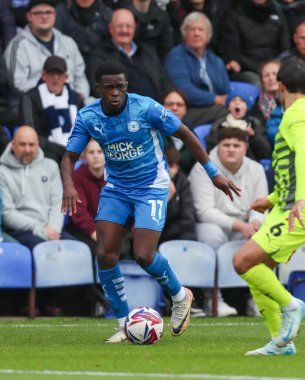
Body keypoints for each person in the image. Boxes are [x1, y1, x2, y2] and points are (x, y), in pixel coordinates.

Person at [60, 60, 240, 342]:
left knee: (144, 255)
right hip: (117, 188)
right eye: (109, 88)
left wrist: (213, 173)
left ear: (126, 86)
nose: (116, 92)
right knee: (106, 254)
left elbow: (185, 134)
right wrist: (69, 185)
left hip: (151, 188)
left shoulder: (146, 108)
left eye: (120, 86)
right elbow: (69, 157)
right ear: (98, 89)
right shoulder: (88, 116)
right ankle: (123, 324)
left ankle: (181, 296)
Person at [233, 57, 305, 356]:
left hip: (299, 208)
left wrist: (300, 199)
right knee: (258, 269)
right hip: (296, 205)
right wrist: (274, 199)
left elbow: (304, 154)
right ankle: (281, 341)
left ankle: (292, 306)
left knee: (242, 261)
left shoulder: (294, 115)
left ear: (280, 86)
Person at [189, 127, 268, 316]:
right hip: (213, 224)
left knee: (265, 235)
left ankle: (257, 299)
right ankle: (214, 300)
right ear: (218, 146)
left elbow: (262, 205)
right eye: (226, 145)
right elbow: (204, 211)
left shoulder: (256, 169)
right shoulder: (202, 167)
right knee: (212, 234)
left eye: (236, 145)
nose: (231, 149)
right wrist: (241, 226)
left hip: (246, 222)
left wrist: (255, 223)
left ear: (245, 148)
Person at [0, 126, 77, 315]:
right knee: (39, 249)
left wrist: (54, 229)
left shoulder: (50, 165)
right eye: (22, 144)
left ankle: (53, 304)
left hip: (51, 225)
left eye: (31, 144)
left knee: (73, 248)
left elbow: (58, 201)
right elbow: (7, 213)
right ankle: (29, 304)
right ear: (13, 144)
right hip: (21, 228)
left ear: (38, 145)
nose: (27, 149)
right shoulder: (2, 171)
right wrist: (42, 229)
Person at [3, 0, 90, 108]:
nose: (44, 16)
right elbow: (17, 84)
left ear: (55, 15)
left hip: (71, 103)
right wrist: (52, 90)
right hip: (33, 107)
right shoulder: (18, 46)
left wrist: (79, 96)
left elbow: (80, 77)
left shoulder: (68, 42)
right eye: (38, 13)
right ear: (29, 16)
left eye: (48, 12)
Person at [87, 8, 171, 101]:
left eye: (128, 26)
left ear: (134, 28)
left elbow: (164, 81)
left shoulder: (147, 52)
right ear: (110, 28)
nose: (124, 30)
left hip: (155, 108)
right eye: (120, 26)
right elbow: (100, 89)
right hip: (123, 111)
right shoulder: (99, 56)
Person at [164, 12, 230, 126]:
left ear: (208, 35)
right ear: (185, 34)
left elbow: (226, 89)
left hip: (214, 107)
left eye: (201, 29)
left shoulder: (215, 60)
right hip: (189, 109)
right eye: (192, 29)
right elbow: (185, 90)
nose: (197, 33)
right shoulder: (176, 56)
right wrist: (215, 99)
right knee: (225, 112)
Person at [18, 55, 84, 164]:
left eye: (59, 74)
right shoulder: (29, 99)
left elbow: (86, 129)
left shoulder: (76, 99)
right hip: (46, 154)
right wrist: (63, 150)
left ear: (66, 77)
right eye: (52, 73)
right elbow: (30, 136)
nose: (56, 78)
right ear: (44, 76)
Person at [217, 0, 290, 87]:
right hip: (247, 68)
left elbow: (285, 47)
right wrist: (233, 60)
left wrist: (275, 66)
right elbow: (231, 46)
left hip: (274, 65)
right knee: (255, 81)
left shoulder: (278, 13)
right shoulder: (235, 14)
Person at [205, 89, 272, 160]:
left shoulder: (254, 124)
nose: (237, 103)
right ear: (229, 107)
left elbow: (266, 153)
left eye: (242, 101)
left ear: (247, 107)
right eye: (233, 100)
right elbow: (210, 150)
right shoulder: (219, 125)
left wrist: (253, 136)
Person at [162, 88, 196, 174]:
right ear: (162, 108)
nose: (174, 108)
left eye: (179, 105)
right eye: (170, 104)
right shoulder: (154, 133)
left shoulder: (192, 135)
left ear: (186, 110)